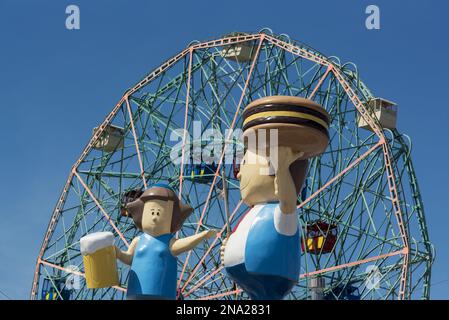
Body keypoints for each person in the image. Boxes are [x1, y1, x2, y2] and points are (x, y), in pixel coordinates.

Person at [221, 147, 308, 300]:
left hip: (269, 281)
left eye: (245, 163)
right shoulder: (256, 213)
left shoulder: (280, 213)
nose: (239, 174)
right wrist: (228, 249)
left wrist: (282, 169)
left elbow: (288, 202)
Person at [116, 184, 216, 299]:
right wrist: (118, 253)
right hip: (136, 291)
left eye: (159, 213)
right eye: (151, 212)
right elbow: (129, 258)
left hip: (162, 292)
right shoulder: (138, 241)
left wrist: (202, 235)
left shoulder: (168, 242)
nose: (154, 217)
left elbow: (182, 245)